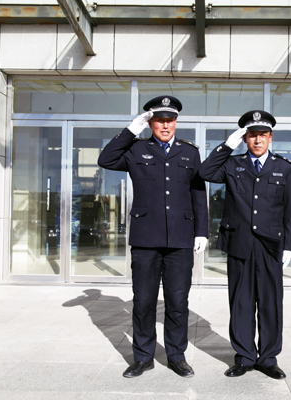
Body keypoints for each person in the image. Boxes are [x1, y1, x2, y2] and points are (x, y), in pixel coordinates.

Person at [97, 95, 208, 378]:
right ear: (150, 123)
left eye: (170, 120)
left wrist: (202, 232)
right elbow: (106, 159)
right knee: (144, 301)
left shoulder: (190, 152)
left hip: (180, 239)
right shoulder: (136, 149)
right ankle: (143, 357)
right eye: (159, 120)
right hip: (146, 238)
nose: (165, 125)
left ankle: (176, 356)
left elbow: (198, 193)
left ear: (176, 123)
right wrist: (131, 130)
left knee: (178, 302)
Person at [198, 110, 291, 380]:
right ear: (245, 138)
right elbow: (205, 171)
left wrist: (289, 245)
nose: (257, 140)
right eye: (252, 135)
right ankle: (244, 357)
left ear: (270, 137)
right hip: (239, 243)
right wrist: (227, 145)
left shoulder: (284, 167)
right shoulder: (232, 164)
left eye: (262, 135)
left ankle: (268, 359)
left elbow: (290, 210)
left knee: (270, 303)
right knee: (241, 303)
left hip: (270, 246)